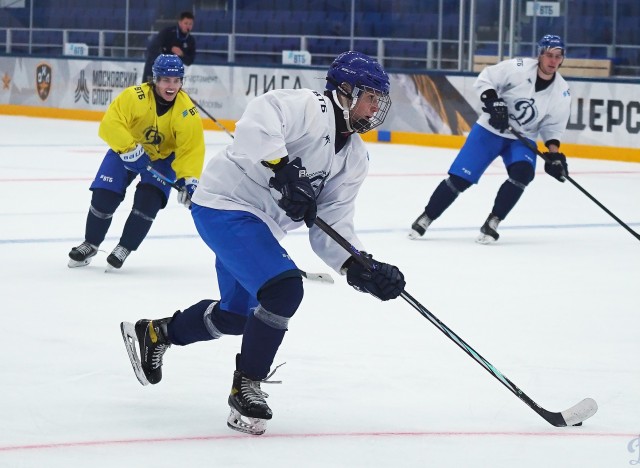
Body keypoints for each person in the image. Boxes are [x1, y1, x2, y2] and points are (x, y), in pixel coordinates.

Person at [120, 51, 406, 435]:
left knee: (236, 317)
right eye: (371, 96)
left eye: (378, 99)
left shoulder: (354, 156)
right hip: (226, 204)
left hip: (261, 228)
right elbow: (260, 114)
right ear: (345, 90)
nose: (375, 106)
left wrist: (359, 266)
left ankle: (157, 332)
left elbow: (332, 224)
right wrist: (281, 166)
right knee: (284, 289)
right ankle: (246, 387)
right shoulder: (312, 106)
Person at [408, 34, 571, 243]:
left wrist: (554, 156)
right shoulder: (518, 67)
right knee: (460, 179)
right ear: (540, 55)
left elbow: (553, 126)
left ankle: (493, 221)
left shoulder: (562, 91)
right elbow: (486, 78)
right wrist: (493, 102)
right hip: (489, 130)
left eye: (558, 56)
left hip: (522, 137)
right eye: (549, 55)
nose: (553, 61)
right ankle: (427, 216)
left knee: (523, 173)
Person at [68, 54, 204, 270]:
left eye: (177, 81)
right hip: (126, 149)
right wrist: (129, 148)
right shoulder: (135, 96)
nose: (172, 86)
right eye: (167, 80)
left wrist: (189, 179)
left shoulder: (187, 111)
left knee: (149, 201)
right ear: (156, 79)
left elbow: (191, 149)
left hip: (163, 158)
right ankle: (91, 243)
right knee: (105, 194)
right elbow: (110, 123)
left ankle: (124, 247)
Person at [142, 11, 196, 83]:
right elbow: (153, 47)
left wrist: (182, 54)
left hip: (172, 73)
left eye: (190, 24)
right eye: (186, 23)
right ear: (180, 23)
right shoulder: (168, 32)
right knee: (148, 90)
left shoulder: (190, 40)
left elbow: (189, 61)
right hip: (154, 67)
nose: (188, 26)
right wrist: (167, 51)